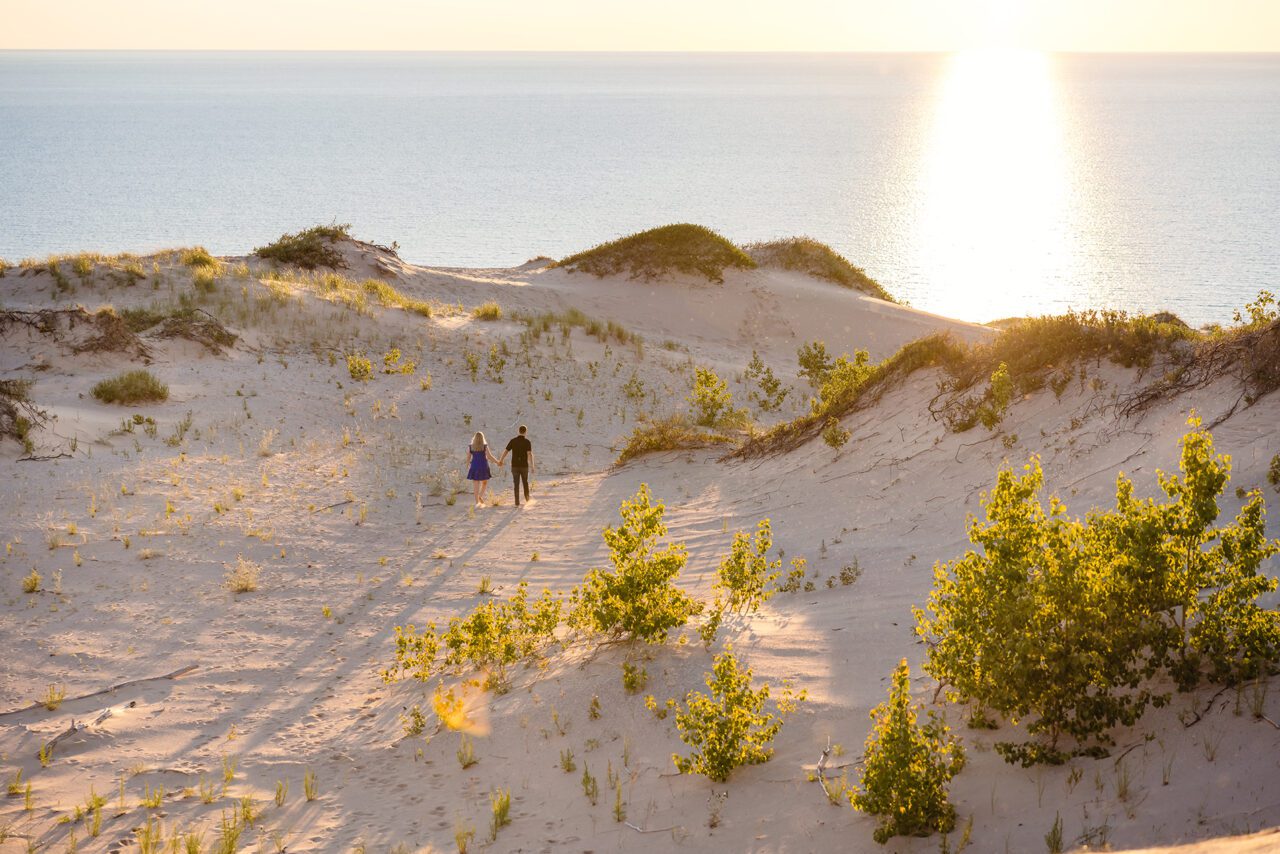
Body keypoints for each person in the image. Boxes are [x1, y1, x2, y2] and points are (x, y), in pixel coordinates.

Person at [497, 424, 534, 507]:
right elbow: (529, 454)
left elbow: (506, 451)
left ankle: (517, 503)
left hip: (515, 466)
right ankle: (527, 500)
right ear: (525, 432)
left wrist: (501, 460)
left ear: (518, 431)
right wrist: (532, 466)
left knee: (516, 484)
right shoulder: (527, 442)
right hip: (524, 466)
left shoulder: (513, 441)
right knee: (525, 482)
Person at [465, 431, 501, 507]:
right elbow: (490, 456)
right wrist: (497, 462)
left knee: (476, 484)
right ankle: (480, 496)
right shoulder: (485, 446)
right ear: (482, 438)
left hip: (474, 466)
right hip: (483, 465)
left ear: (474, 438)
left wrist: (467, 465)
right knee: (484, 482)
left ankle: (477, 502)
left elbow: (468, 457)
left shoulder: (470, 446)